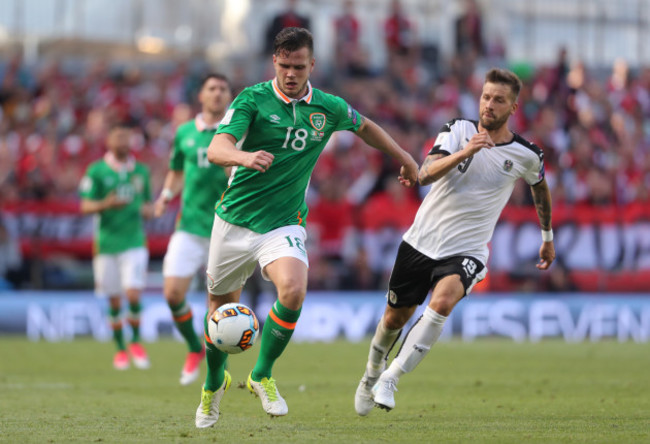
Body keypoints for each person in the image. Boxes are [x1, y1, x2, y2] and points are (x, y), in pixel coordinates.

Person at [194, 27, 419, 428]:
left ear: (312, 64)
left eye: (299, 66)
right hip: (233, 223)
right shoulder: (253, 99)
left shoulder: (328, 107)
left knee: (294, 290)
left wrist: (403, 156)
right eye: (284, 66)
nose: (291, 74)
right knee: (219, 314)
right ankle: (213, 385)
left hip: (283, 222)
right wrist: (243, 158)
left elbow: (364, 126)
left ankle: (262, 374)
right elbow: (216, 148)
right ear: (274, 63)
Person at [354, 68, 556, 415]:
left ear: (513, 107)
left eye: (499, 100)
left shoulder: (527, 154)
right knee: (393, 320)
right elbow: (423, 173)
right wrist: (466, 153)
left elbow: (539, 186)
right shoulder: (458, 130)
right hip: (421, 241)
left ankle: (392, 377)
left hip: (468, 251)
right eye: (486, 96)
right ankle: (371, 373)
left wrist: (547, 236)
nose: (489, 105)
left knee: (444, 301)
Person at [153, 73, 232, 385]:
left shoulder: (235, 132)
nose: (217, 94)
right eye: (212, 89)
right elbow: (175, 172)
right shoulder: (184, 133)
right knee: (173, 294)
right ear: (201, 95)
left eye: (223, 89)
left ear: (229, 96)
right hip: (188, 226)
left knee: (220, 306)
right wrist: (165, 196)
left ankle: (217, 370)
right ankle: (193, 348)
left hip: (224, 230)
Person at [79, 123, 154, 370]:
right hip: (106, 243)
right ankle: (121, 349)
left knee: (133, 293)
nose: (123, 140)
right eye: (118, 136)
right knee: (113, 301)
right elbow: (85, 206)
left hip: (134, 241)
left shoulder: (141, 171)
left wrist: (151, 210)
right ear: (109, 141)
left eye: (126, 136)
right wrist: (105, 204)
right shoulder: (97, 170)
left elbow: (147, 206)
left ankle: (135, 342)